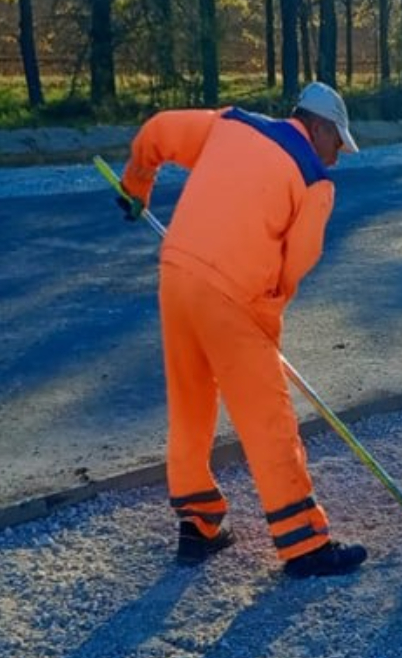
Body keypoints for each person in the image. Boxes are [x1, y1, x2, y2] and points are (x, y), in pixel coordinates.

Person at [115, 81, 368, 578]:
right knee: (267, 416)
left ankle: (199, 524)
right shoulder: (314, 180)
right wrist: (266, 317)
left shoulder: (230, 124)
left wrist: (135, 186)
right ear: (316, 127)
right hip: (233, 297)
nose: (337, 157)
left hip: (176, 276)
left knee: (190, 403)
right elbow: (297, 263)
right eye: (337, 142)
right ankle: (304, 545)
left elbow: (157, 131)